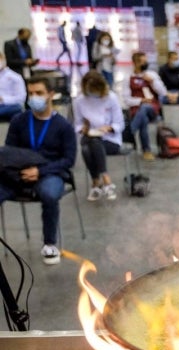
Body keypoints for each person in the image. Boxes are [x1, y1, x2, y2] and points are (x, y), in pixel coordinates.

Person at [2, 76, 77, 265]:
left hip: (50, 172)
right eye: (31, 93)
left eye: (39, 93)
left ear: (51, 94)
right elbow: (8, 152)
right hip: (18, 173)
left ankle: (50, 243)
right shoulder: (19, 120)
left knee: (50, 194)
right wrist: (19, 170)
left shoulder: (64, 126)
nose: (33, 97)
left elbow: (68, 160)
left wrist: (40, 171)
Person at [72, 71, 123, 201]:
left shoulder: (111, 98)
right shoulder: (79, 101)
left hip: (110, 140)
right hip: (89, 137)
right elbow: (77, 125)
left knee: (90, 146)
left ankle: (98, 182)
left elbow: (120, 123)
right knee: (88, 145)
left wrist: (109, 128)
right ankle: (104, 182)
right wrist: (83, 129)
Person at [123, 52, 167, 161]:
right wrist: (141, 100)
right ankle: (146, 151)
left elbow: (163, 92)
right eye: (142, 62)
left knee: (145, 107)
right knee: (143, 118)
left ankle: (129, 132)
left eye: (145, 61)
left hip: (153, 109)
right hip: (136, 110)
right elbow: (127, 100)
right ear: (135, 63)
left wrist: (152, 82)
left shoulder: (152, 75)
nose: (144, 64)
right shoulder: (128, 78)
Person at [0, 52, 25, 121]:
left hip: (10, 105)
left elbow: (21, 98)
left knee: (17, 108)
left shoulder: (15, 77)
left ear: (3, 59)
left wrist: (3, 99)